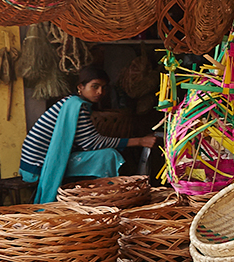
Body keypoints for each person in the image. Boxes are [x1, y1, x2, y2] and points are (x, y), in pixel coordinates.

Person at [19, 65, 156, 203]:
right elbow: (91, 143)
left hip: (29, 166)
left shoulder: (71, 103)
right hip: (38, 167)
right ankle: (105, 199)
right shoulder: (77, 106)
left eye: (103, 87)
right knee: (108, 156)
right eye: (95, 87)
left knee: (104, 154)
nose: (100, 92)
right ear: (81, 87)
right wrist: (139, 141)